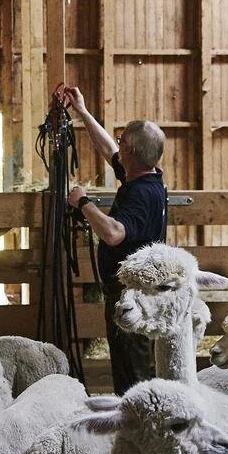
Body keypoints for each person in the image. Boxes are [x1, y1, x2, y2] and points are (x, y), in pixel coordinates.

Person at [62, 86, 168, 394]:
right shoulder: (148, 177)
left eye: (123, 142)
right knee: (129, 364)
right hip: (132, 292)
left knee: (132, 372)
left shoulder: (140, 193)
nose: (118, 145)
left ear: (133, 153)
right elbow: (110, 151)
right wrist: (82, 112)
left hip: (131, 295)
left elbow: (113, 233)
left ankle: (140, 424)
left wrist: (83, 202)